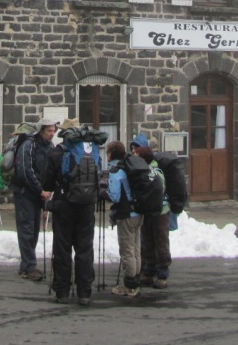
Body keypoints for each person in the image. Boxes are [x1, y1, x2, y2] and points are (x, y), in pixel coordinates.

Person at [44, 122, 104, 306]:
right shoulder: (92, 151)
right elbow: (99, 175)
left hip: (64, 205)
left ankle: (62, 291)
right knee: (85, 249)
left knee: (62, 249)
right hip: (87, 207)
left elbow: (47, 182)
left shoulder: (57, 152)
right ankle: (84, 292)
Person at [11, 117, 58, 281]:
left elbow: (49, 171)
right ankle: (29, 266)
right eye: (49, 131)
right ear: (41, 131)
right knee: (27, 229)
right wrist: (40, 190)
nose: (52, 134)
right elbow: (25, 171)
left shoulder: (50, 146)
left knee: (34, 231)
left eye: (53, 131)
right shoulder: (29, 145)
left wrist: (46, 192)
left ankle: (26, 266)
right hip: (24, 193)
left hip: (38, 195)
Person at [132, 139, 172, 289]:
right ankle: (149, 270)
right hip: (148, 211)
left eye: (137, 156)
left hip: (160, 211)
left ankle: (162, 274)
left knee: (160, 240)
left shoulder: (155, 172)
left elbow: (160, 190)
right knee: (147, 240)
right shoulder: (144, 171)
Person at [105, 140, 143, 298]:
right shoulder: (130, 166)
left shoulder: (116, 171)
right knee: (135, 248)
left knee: (127, 251)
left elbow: (114, 196)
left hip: (126, 214)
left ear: (110, 154)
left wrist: (103, 192)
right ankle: (136, 280)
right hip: (138, 212)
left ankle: (130, 286)